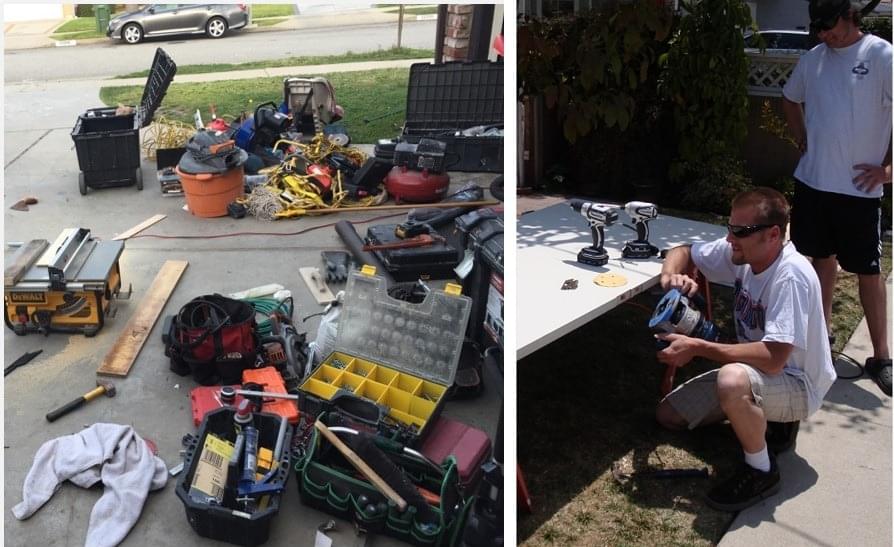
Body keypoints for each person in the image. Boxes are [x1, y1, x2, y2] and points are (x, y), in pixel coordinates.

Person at [655, 187, 836, 512]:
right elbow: (683, 251)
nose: (729, 238)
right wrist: (671, 276)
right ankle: (763, 420)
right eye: (729, 227)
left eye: (740, 231)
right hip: (761, 373)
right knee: (668, 416)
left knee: (732, 381)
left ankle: (761, 470)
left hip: (797, 382)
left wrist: (697, 347)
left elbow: (774, 358)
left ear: (773, 234)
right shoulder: (744, 253)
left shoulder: (789, 275)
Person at [782, 0, 892, 396]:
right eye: (817, 28)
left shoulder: (880, 54)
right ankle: (822, 336)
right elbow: (790, 98)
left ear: (849, 16)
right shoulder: (813, 59)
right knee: (820, 262)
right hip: (813, 183)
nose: (824, 34)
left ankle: (881, 356)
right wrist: (801, 137)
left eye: (829, 26)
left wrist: (888, 171)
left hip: (859, 191)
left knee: (867, 271)